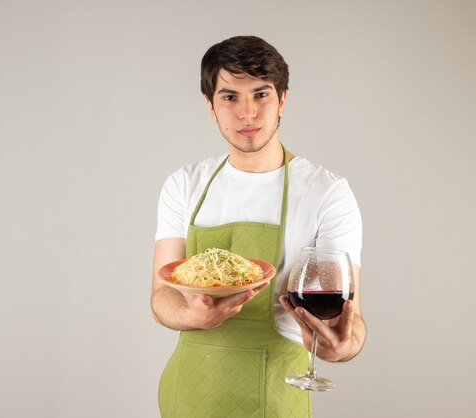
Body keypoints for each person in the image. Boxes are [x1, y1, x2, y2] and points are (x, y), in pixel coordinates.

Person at [151, 35, 366, 418]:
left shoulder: (327, 193)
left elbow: (351, 320)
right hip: (186, 393)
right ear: (210, 106)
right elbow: (162, 297)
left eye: (261, 95)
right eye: (230, 97)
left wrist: (341, 346)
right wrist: (192, 316)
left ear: (283, 99)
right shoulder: (184, 185)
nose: (247, 113)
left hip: (274, 396)